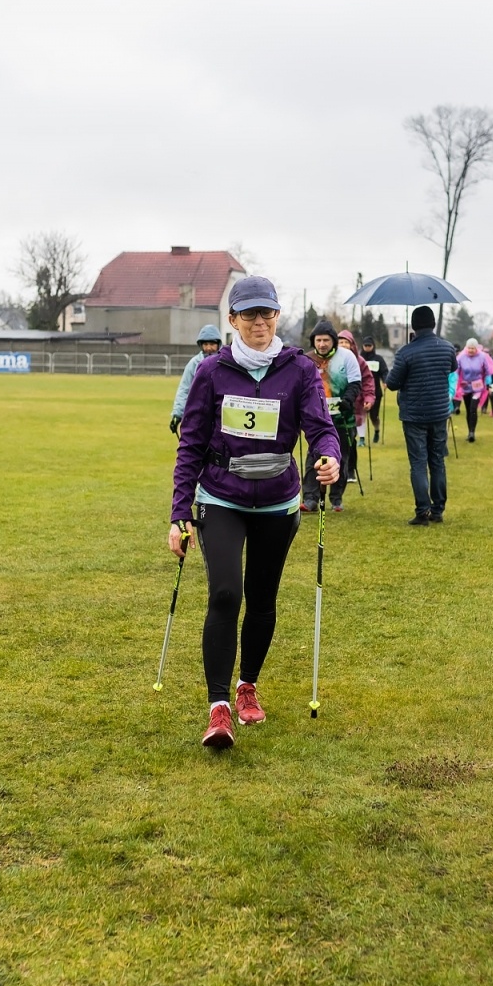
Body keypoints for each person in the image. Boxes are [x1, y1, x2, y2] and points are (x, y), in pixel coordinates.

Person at [171, 276, 341, 749]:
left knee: (262, 597)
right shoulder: (211, 371)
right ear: (233, 320)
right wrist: (179, 511)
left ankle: (248, 686)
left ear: (277, 316)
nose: (260, 322)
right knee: (226, 593)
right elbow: (191, 444)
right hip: (221, 496)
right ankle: (218, 707)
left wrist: (329, 457)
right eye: (250, 314)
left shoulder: (300, 369)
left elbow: (321, 428)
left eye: (267, 313)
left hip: (277, 501)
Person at [385, 305, 457, 525]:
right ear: (433, 323)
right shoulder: (447, 348)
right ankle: (438, 510)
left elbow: (392, 383)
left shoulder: (406, 352)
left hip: (414, 415)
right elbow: (451, 369)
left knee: (418, 463)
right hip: (439, 413)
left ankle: (422, 511)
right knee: (437, 461)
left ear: (414, 326)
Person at [301, 321, 362, 511]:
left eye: (326, 340)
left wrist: (348, 400)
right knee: (313, 459)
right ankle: (311, 498)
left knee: (340, 458)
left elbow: (355, 383)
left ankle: (336, 498)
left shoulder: (347, 357)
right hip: (317, 419)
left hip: (343, 418)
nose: (322, 344)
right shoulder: (307, 359)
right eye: (318, 340)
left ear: (333, 341)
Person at [170, 324, 223, 434]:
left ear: (218, 344)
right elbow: (184, 389)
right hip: (198, 414)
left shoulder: (225, 363)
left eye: (212, 344)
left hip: (220, 416)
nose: (208, 348)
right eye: (205, 344)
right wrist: (177, 414)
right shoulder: (194, 364)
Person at [338, 328, 376, 450]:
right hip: (336, 404)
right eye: (341, 342)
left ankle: (361, 439)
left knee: (351, 435)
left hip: (356, 402)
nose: (343, 345)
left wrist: (369, 398)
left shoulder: (360, 361)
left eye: (346, 342)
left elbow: (368, 381)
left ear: (352, 344)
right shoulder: (330, 360)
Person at [454, 338, 493, 442]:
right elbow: (456, 371)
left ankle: (472, 432)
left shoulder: (482, 357)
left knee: (473, 408)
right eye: (469, 348)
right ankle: (469, 431)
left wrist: (488, 383)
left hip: (478, 386)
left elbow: (487, 371)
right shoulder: (461, 357)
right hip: (466, 386)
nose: (471, 350)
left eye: (473, 348)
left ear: (476, 348)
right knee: (468, 409)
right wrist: (455, 383)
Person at [360, 336, 389, 440]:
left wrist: (385, 381)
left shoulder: (378, 359)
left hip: (376, 392)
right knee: (361, 415)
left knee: (373, 416)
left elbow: (384, 372)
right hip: (361, 392)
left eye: (369, 345)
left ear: (373, 346)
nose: (367, 347)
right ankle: (362, 438)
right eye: (365, 345)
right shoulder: (359, 358)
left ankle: (376, 430)